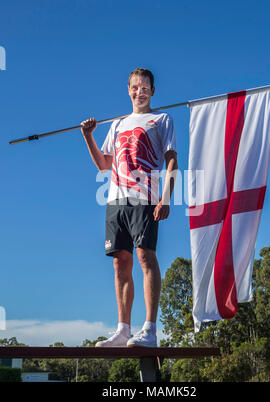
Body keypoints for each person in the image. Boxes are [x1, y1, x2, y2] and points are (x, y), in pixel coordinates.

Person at [81, 68, 177, 347]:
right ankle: (123, 329)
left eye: (145, 87)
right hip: (115, 200)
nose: (140, 91)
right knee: (119, 263)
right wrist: (88, 136)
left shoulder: (161, 119)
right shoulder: (117, 124)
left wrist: (166, 197)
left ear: (152, 91)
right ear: (129, 90)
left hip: (145, 197)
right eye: (135, 87)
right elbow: (103, 164)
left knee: (146, 257)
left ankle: (149, 330)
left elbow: (171, 160)